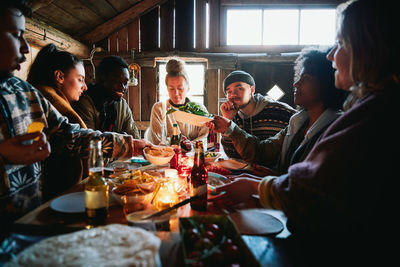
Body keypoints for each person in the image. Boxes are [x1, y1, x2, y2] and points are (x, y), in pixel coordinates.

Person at [209, 0, 399, 263]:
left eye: (341, 43)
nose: (332, 55)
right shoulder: (298, 122)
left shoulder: (367, 117)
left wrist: (262, 187)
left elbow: (313, 190)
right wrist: (231, 128)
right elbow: (265, 154)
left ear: (368, 47)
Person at [0, 0, 150, 230]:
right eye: (16, 35)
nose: (24, 47)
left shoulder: (24, 93)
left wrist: (130, 144)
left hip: (29, 222)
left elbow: (71, 136)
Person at [209, 48, 347, 175]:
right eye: (228, 91)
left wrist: (273, 181)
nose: (296, 84)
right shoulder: (298, 122)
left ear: (327, 84)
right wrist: (229, 126)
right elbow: (262, 153)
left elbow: (316, 185)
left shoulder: (337, 130)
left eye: (305, 79)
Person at [26, 43, 89, 200]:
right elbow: (74, 137)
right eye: (80, 79)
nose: (85, 87)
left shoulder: (47, 98)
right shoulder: (46, 101)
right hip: (51, 197)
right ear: (60, 77)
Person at [220, 70, 296, 159]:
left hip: (276, 172)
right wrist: (228, 120)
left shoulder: (280, 111)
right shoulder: (233, 116)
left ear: (252, 90)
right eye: (229, 92)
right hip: (244, 171)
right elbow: (232, 154)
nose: (233, 94)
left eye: (239, 88)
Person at [145, 58, 209, 150]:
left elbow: (204, 138)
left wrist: (190, 145)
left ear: (188, 88)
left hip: (194, 158)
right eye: (171, 89)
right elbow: (157, 141)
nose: (176, 93)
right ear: (167, 88)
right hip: (167, 158)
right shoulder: (159, 108)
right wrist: (179, 144)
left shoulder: (199, 109)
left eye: (180, 88)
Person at [72, 56, 140, 138]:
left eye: (125, 83)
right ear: (101, 79)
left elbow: (135, 137)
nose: (123, 87)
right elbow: (89, 141)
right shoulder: (85, 103)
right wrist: (121, 138)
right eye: (116, 81)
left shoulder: (122, 105)